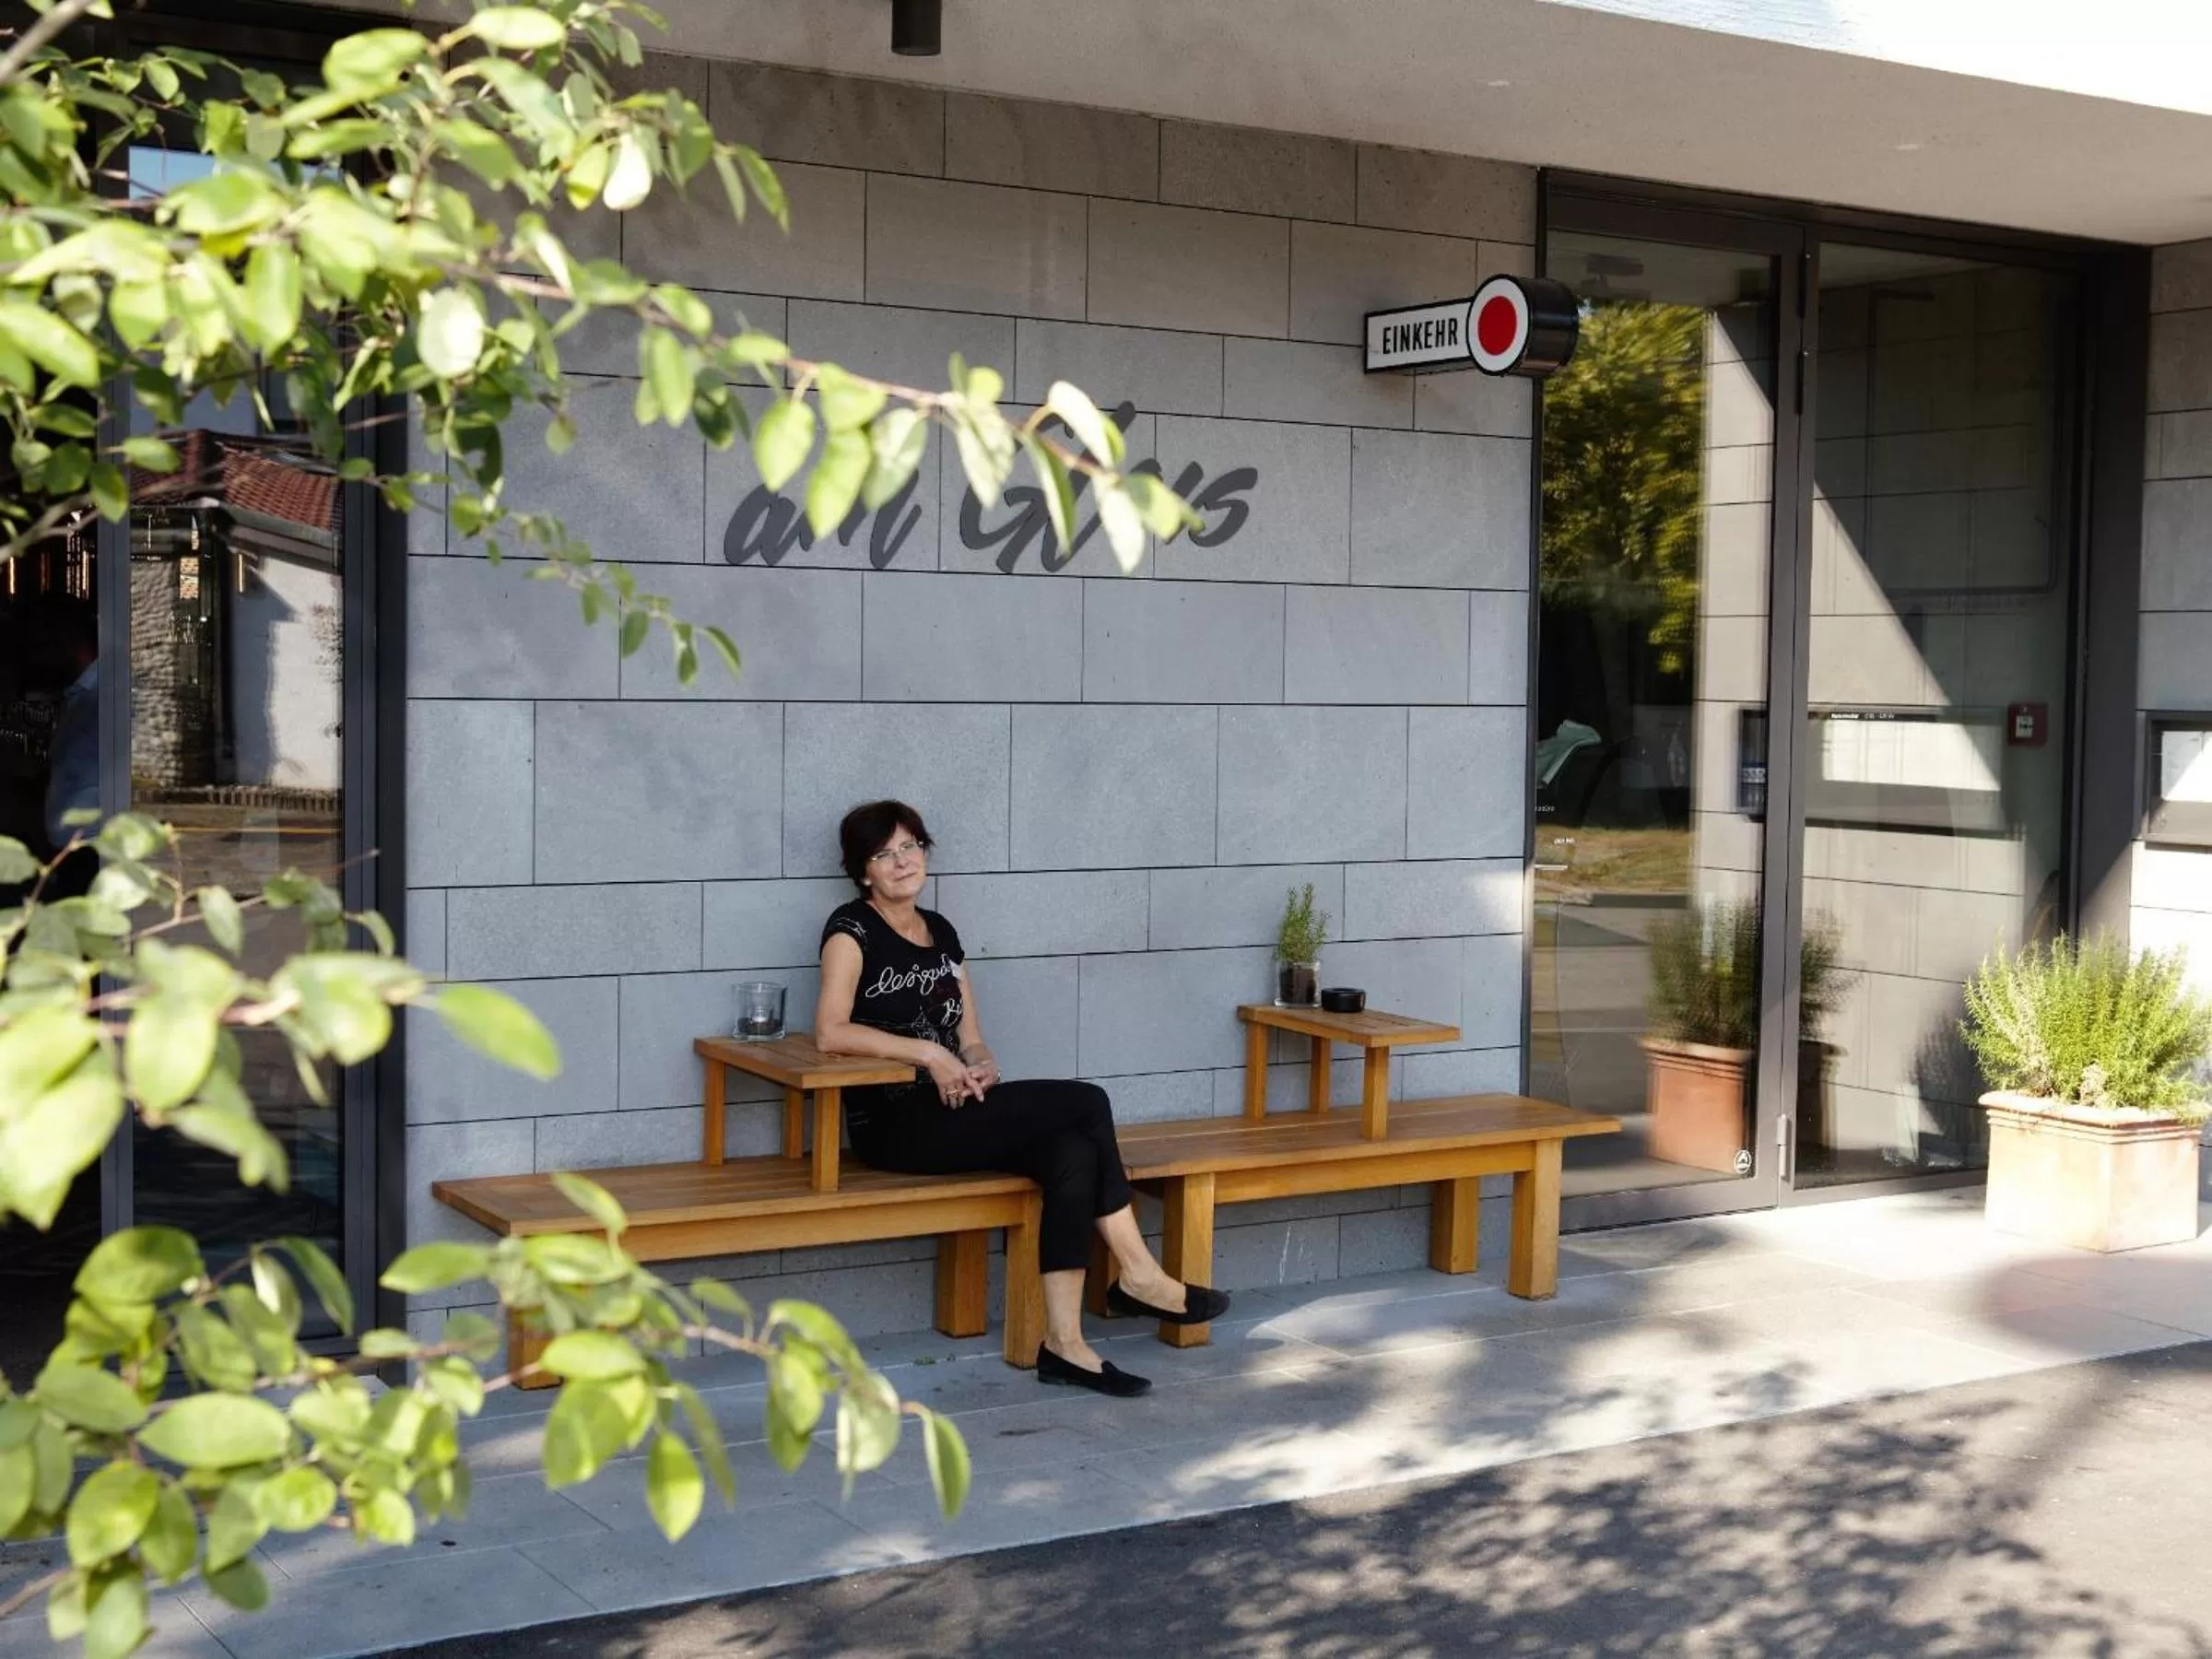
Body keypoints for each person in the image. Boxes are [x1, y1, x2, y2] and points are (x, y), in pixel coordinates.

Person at [816, 799, 1229, 1398]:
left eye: (911, 847)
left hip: (955, 1109)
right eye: (885, 854)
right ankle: (1141, 1275)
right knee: (1086, 1103)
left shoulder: (943, 934)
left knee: (1071, 1152)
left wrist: (980, 1066)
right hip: (894, 1120)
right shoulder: (850, 931)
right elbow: (830, 1031)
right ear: (863, 873)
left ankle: (1065, 1345)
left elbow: (973, 1037)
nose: (902, 862)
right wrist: (928, 1056)